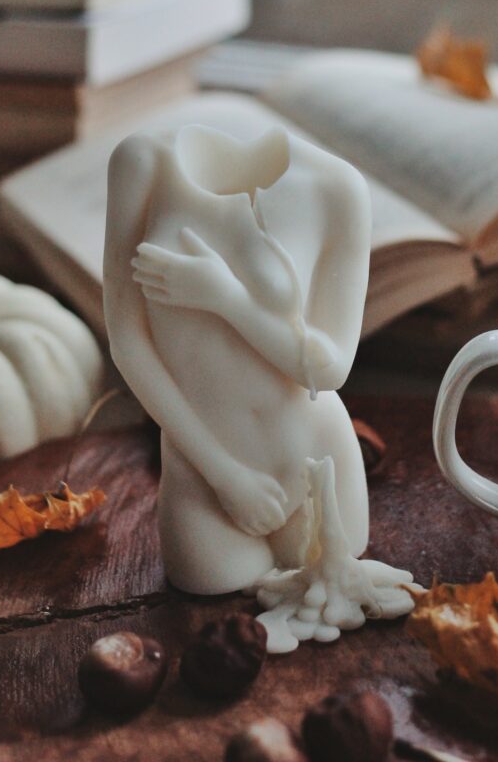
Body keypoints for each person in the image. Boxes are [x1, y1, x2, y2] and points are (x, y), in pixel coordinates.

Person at [103, 122, 371, 594]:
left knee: (333, 579)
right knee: (211, 583)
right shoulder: (141, 164)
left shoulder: (337, 187)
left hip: (314, 456)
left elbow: (331, 368)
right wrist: (225, 477)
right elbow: (128, 341)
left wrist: (228, 299)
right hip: (205, 467)